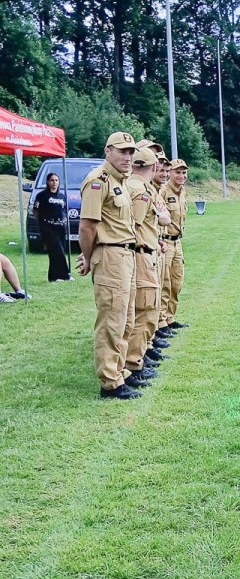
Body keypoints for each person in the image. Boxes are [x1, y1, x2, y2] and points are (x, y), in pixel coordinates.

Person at [78, 131, 139, 399]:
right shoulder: (97, 181)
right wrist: (89, 257)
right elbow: (87, 227)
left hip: (125, 255)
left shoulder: (120, 181)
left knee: (126, 319)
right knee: (111, 321)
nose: (128, 157)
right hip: (111, 256)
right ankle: (110, 382)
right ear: (108, 151)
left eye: (131, 152)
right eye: (122, 151)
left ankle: (119, 371)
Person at [123, 147, 169, 386]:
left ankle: (136, 358)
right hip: (141, 255)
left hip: (142, 252)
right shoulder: (140, 190)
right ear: (152, 168)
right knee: (145, 309)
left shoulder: (132, 186)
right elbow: (136, 226)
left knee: (142, 309)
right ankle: (133, 364)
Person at [158, 159, 188, 333]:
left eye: (184, 173)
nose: (181, 176)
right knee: (165, 282)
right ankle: (161, 322)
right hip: (165, 241)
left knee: (177, 282)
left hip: (177, 242)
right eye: (177, 172)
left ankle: (170, 318)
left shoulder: (182, 192)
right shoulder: (162, 191)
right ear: (169, 173)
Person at [33, 173, 71, 281]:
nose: (54, 183)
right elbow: (36, 210)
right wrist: (41, 223)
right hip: (48, 227)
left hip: (60, 227)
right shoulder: (42, 195)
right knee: (57, 250)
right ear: (47, 182)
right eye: (52, 180)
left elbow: (64, 210)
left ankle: (54, 276)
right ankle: (64, 275)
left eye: (56, 180)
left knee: (59, 251)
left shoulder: (62, 196)